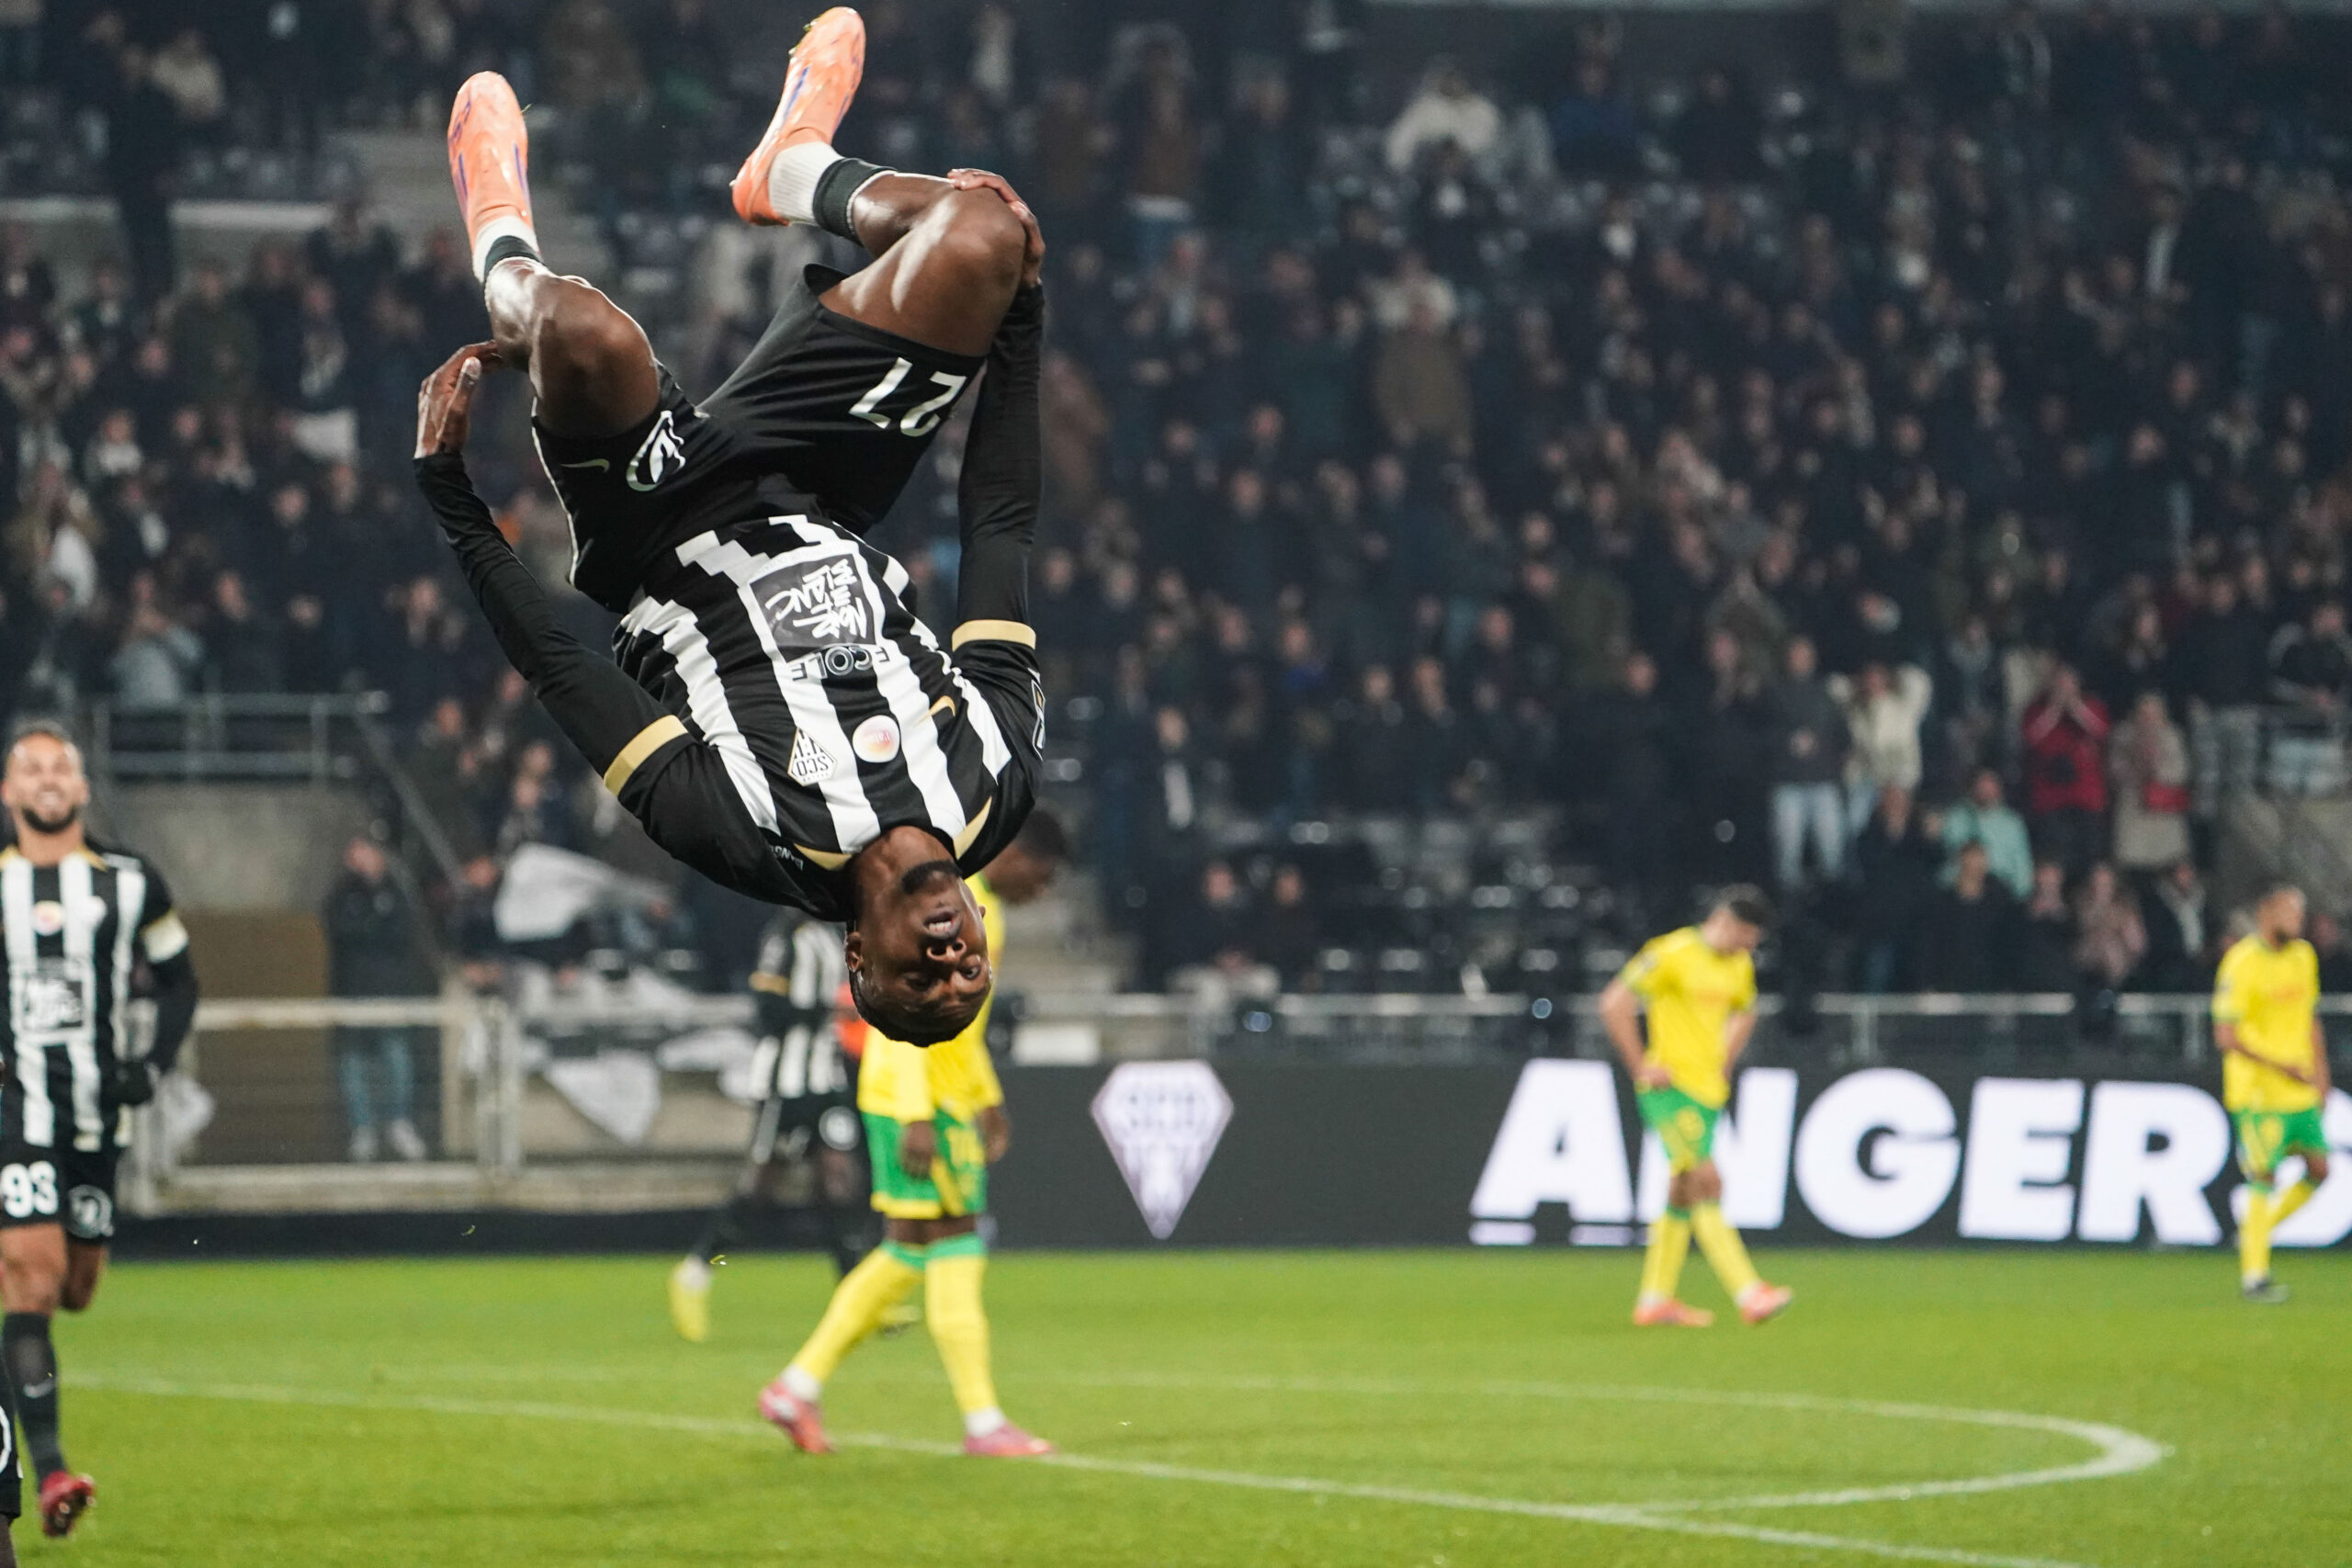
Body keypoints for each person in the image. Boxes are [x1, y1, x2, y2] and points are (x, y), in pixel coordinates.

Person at [418, 12, 1046, 1050]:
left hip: (657, 525)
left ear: (857, 956)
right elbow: (1001, 531)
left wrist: (448, 492)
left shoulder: (748, 838)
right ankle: (794, 170)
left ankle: (499, 247)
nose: (948, 956)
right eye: (967, 969)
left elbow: (561, 671)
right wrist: (1022, 320)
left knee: (585, 332)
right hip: (818, 480)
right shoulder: (996, 780)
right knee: (991, 235)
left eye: (918, 976)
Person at [667, 810, 1065, 1344]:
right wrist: (833, 1011)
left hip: (827, 1073)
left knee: (839, 1182)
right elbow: (766, 1006)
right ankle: (697, 1269)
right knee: (762, 1185)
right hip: (787, 1076)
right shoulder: (788, 935)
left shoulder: (847, 927)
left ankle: (860, 1295)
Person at [757, 820, 1069, 1459]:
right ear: (1014, 852)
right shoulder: (949, 904)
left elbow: (959, 1023)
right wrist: (918, 1113)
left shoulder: (966, 901)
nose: (1042, 890)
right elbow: (904, 1004)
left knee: (907, 1251)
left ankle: (796, 1388)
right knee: (957, 1241)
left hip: (927, 1095)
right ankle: (982, 1421)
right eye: (1042, 875)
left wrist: (984, 1096)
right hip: (920, 1099)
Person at [0, 720, 199, 1538]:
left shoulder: (131, 881)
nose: (47, 778)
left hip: (95, 1117)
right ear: (9, 791)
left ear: (82, 788)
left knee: (75, 1288)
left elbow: (181, 981)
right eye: (31, 767)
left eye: (61, 767)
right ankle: (49, 1471)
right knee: (32, 1275)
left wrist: (151, 1065)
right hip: (16, 1113)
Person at [1599, 886, 1792, 1329]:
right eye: (1746, 937)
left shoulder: (1738, 965)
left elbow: (1745, 1010)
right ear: (1725, 921)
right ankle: (1749, 1292)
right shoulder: (1670, 953)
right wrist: (1640, 1065)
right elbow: (1613, 1003)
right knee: (1707, 1179)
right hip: (1670, 1091)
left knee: (1683, 1190)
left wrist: (1726, 1057)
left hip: (1707, 1093)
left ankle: (1655, 1300)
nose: (1748, 948)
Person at [2212, 884, 2333, 1303]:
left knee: (2320, 1170)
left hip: (2299, 1091)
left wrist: (2322, 1076)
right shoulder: (2241, 961)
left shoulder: (2303, 956)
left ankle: (2254, 1232)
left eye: (2300, 912)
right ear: (2266, 912)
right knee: (2264, 1175)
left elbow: (2310, 1018)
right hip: (2259, 1092)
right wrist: (2282, 1066)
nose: (2298, 920)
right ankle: (2255, 1277)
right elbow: (2226, 1036)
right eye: (2290, 912)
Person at [322, 835, 435, 1163]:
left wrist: (369, 926)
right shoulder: (342, 894)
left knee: (396, 1054)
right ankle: (363, 1129)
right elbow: (340, 930)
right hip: (351, 990)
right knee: (352, 1059)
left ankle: (399, 1123)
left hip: (390, 990)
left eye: (364, 851)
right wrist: (374, 924)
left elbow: (402, 933)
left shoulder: (397, 892)